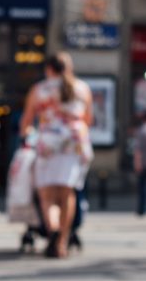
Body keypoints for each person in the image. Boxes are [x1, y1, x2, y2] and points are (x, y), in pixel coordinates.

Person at [20, 52, 94, 258]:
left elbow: (26, 122)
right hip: (73, 144)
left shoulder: (40, 89)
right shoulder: (82, 88)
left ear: (49, 69)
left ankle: (52, 230)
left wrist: (27, 135)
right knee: (67, 194)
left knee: (47, 195)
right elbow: (88, 119)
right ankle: (62, 240)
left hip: (48, 144)